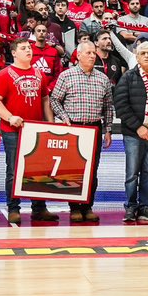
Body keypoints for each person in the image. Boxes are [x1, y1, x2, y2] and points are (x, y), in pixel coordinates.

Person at [47, 39, 114, 224]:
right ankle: (74, 207)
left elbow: (108, 107)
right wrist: (64, 117)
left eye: (94, 53)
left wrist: (108, 130)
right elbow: (54, 100)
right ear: (78, 55)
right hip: (74, 128)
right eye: (89, 53)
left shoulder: (103, 78)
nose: (93, 56)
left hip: (94, 127)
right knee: (74, 171)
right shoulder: (66, 76)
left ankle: (88, 206)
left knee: (92, 171)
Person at [0, 41, 53, 224]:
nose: (28, 51)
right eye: (23, 48)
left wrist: (50, 123)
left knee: (38, 170)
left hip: (36, 129)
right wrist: (9, 117)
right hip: (13, 130)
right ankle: (13, 208)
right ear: (14, 53)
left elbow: (45, 99)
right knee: (14, 170)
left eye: (29, 48)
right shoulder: (4, 74)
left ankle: (39, 208)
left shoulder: (39, 73)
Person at [112, 40, 148, 224]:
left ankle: (145, 207)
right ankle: (130, 207)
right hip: (133, 133)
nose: (146, 56)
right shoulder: (128, 77)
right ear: (136, 56)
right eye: (142, 53)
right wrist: (138, 127)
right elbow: (121, 105)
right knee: (132, 173)